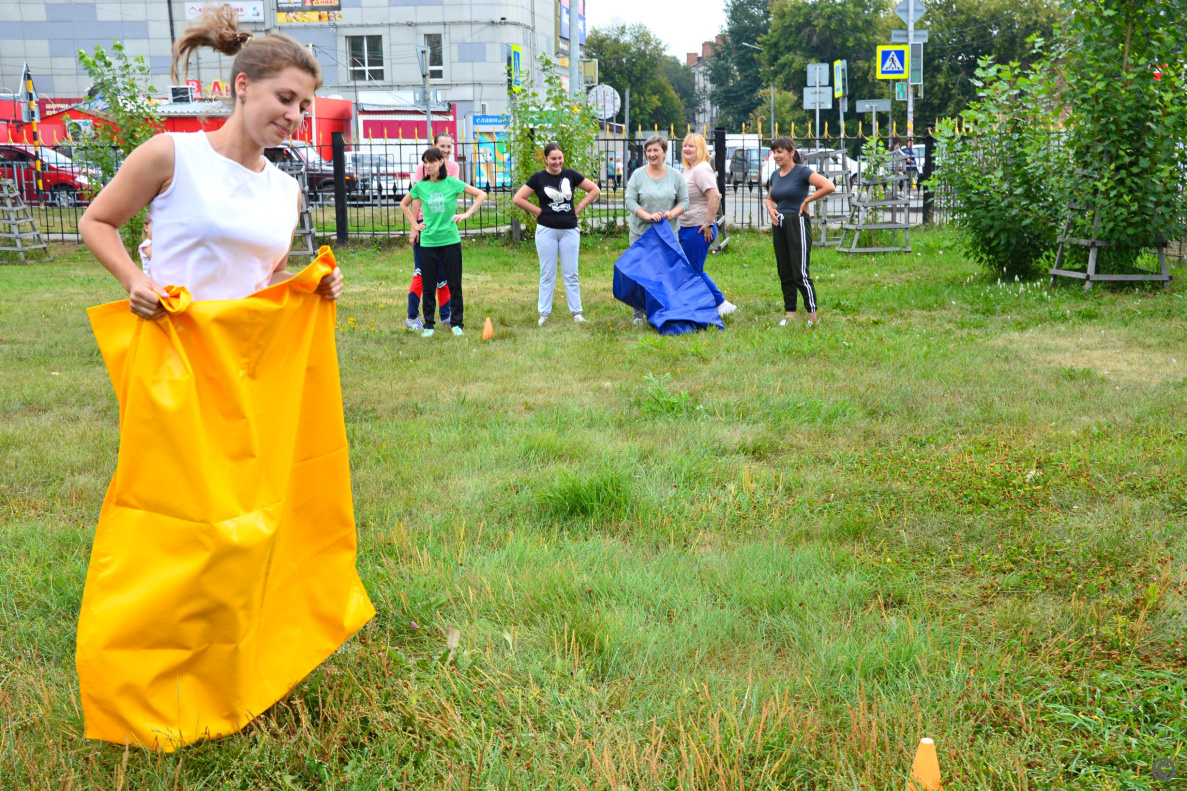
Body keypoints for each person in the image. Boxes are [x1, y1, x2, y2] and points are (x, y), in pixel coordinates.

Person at [79, 6, 341, 315]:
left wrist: (311, 280)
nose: (294, 115)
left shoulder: (287, 191)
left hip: (246, 355)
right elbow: (96, 221)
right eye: (285, 98)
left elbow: (267, 277)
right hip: (175, 352)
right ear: (243, 86)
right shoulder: (171, 155)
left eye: (304, 106)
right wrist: (134, 279)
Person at [512, 142, 601, 325]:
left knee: (571, 273)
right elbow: (518, 198)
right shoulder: (538, 178)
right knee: (547, 273)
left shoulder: (571, 175)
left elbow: (594, 190)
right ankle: (543, 314)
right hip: (546, 230)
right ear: (545, 159)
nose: (557, 162)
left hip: (569, 230)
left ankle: (577, 313)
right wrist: (537, 211)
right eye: (553, 158)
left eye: (560, 158)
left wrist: (578, 208)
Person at [403, 147, 486, 337]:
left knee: (454, 284)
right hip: (429, 243)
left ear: (441, 162)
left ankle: (457, 323)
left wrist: (467, 214)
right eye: (425, 162)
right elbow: (404, 204)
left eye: (431, 161)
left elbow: (481, 195)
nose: (427, 165)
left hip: (450, 241)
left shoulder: (452, 183)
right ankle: (429, 326)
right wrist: (415, 225)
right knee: (429, 285)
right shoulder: (420, 186)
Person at [764, 137, 834, 328]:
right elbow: (770, 199)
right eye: (774, 152)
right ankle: (790, 314)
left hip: (798, 223)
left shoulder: (802, 172)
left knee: (800, 272)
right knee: (784, 271)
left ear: (791, 152)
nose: (776, 156)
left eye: (780, 152)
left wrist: (806, 201)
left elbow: (828, 186)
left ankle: (812, 317)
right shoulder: (775, 175)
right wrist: (770, 209)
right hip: (779, 224)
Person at [623, 134, 688, 325]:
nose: (652, 154)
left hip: (667, 234)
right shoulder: (638, 175)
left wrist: (671, 214)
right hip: (641, 234)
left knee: (665, 274)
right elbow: (629, 201)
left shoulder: (675, 176)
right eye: (648, 151)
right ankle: (638, 315)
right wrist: (646, 215)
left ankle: (664, 311)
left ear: (664, 152)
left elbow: (684, 202)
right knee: (641, 273)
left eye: (655, 150)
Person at [400, 131, 458, 331]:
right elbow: (416, 198)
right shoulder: (423, 167)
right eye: (442, 146)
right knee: (422, 273)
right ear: (434, 146)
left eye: (449, 146)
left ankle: (445, 316)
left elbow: (451, 195)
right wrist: (414, 228)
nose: (446, 150)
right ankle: (412, 316)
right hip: (425, 226)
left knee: (444, 275)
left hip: (444, 229)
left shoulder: (454, 168)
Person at [678, 133, 736, 317]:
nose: (687, 149)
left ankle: (722, 303)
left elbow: (715, 196)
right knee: (690, 270)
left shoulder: (701, 169)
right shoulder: (688, 168)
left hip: (698, 228)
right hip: (686, 226)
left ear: (701, 149)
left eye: (692, 146)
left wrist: (708, 223)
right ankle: (704, 304)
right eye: (685, 145)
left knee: (693, 271)